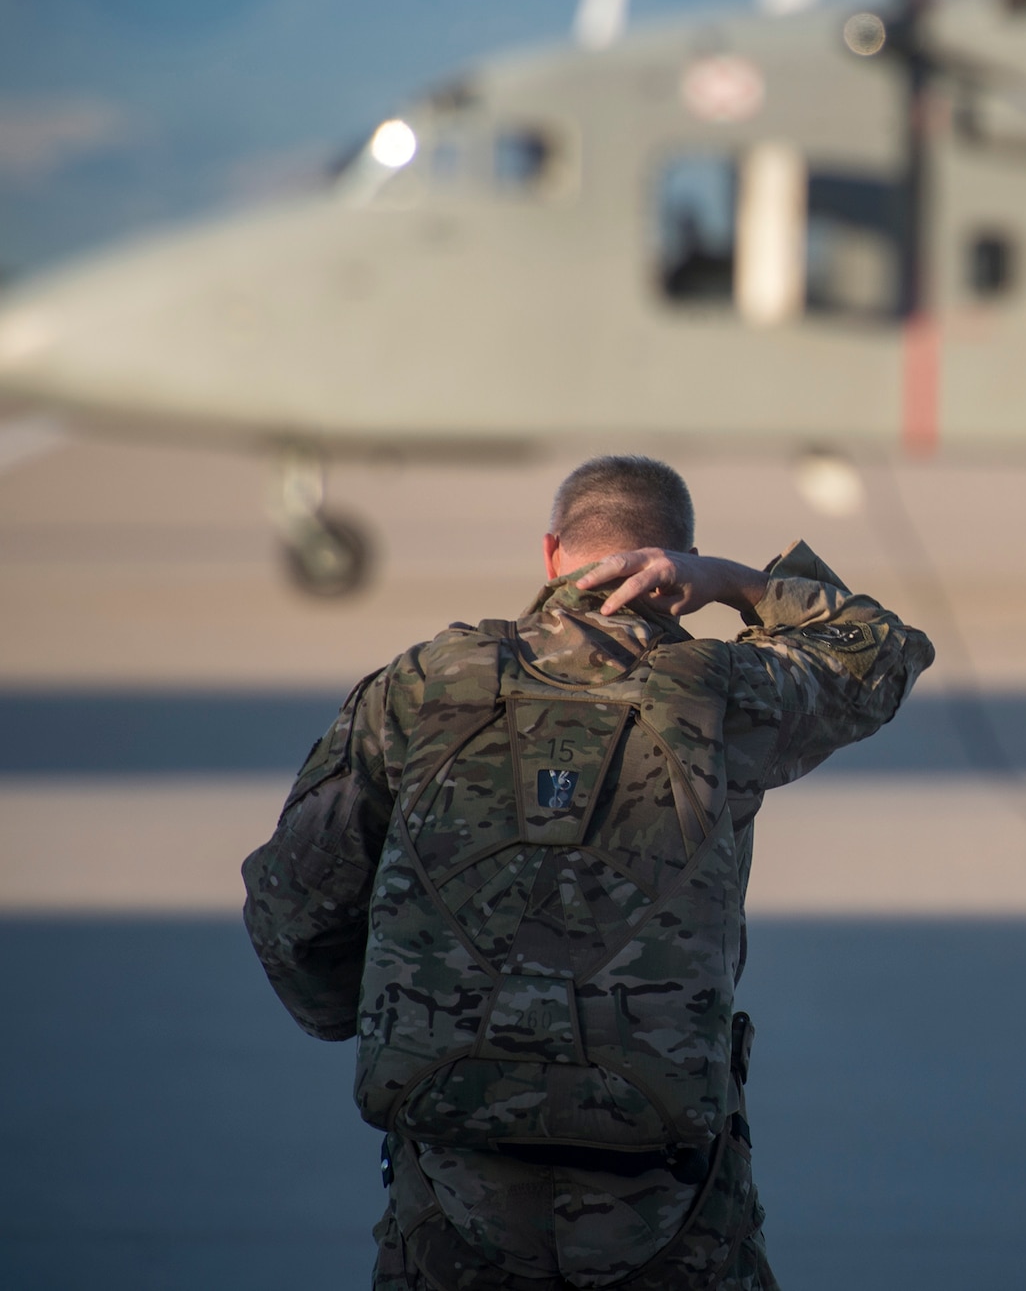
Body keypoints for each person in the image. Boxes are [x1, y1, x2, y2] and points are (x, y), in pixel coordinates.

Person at [243, 454, 933, 1290]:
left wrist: (384, 1012)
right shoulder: (722, 693)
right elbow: (880, 649)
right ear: (670, 562)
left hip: (456, 1178)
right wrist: (729, 582)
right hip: (663, 1194)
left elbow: (292, 901)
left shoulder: (423, 686)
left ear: (550, 553)